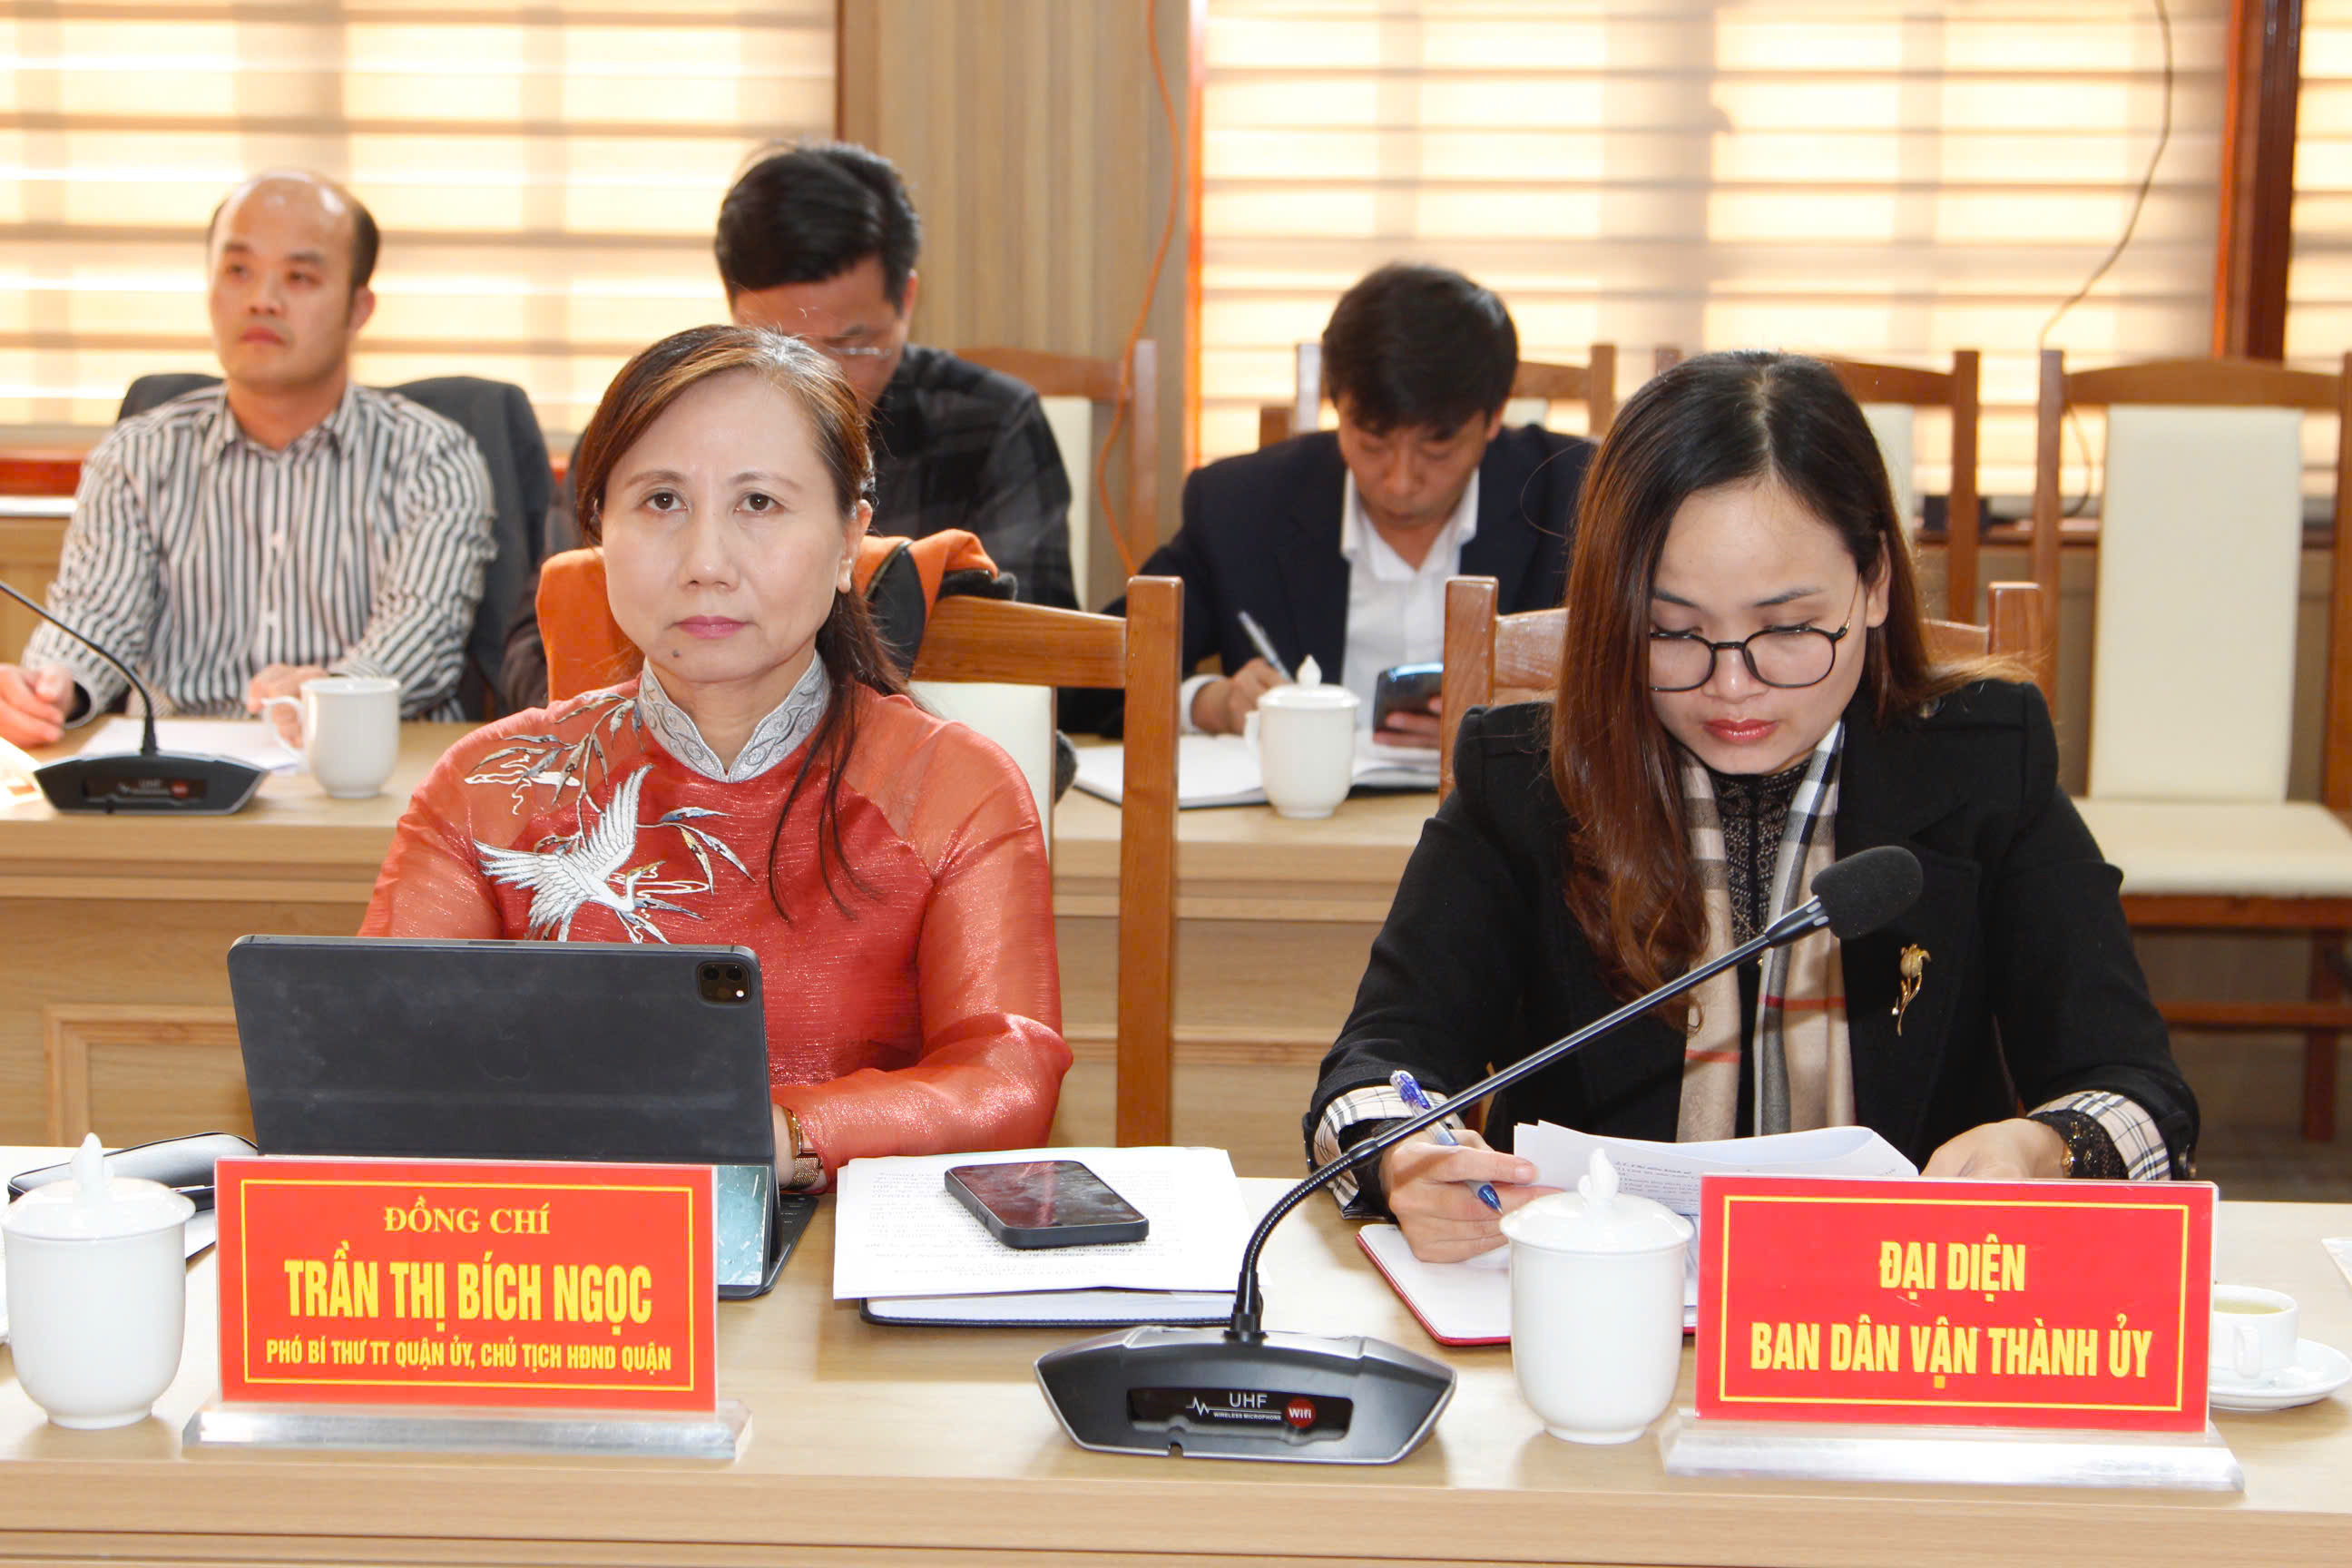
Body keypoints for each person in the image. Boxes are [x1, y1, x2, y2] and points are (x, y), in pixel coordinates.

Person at [1308, 351, 2197, 1260]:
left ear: (1876, 583)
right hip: (1598, 1300)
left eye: (1788, 628)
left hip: (1897, 1305)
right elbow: (1373, 1073)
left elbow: (2140, 1097)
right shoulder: (1526, 778)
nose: (1733, 686)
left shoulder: (1985, 764)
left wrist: (2046, 1148)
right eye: (1672, 631)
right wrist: (1405, 1157)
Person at [363, 326, 1068, 1191]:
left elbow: (1008, 1078)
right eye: (661, 501)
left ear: (848, 540)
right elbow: (379, 1067)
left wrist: (779, 1134)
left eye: (759, 503)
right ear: (599, 530)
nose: (705, 564)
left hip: (842, 1256)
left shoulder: (954, 789)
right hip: (567, 1253)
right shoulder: (484, 790)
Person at [499, 141, 1074, 710]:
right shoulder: (650, 429)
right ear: (733, 308)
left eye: (850, 345)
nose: (818, 378)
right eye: (780, 345)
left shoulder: (990, 425)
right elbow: (539, 644)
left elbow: (1041, 655)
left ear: (906, 299)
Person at [0, 172, 494, 747]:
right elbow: (95, 614)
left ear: (359, 308)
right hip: (179, 768)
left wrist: (337, 693)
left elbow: (422, 629)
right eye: (238, 271)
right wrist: (50, 686)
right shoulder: (136, 455)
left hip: (363, 764)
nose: (262, 299)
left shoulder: (434, 458)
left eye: (300, 277)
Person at [1076, 263, 1590, 747]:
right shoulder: (1243, 507)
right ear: (1338, 408)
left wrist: (1523, 722)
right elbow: (1088, 677)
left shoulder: (1578, 498)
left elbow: (1636, 689)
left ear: (1494, 417)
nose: (1400, 481)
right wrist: (1210, 704)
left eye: (1437, 448)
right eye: (1372, 442)